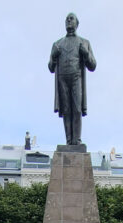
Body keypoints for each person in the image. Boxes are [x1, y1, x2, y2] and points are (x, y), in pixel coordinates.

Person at [48, 13, 96, 145]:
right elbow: (51, 67)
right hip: (62, 78)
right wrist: (53, 55)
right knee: (66, 110)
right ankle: (69, 140)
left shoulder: (84, 42)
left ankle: (77, 140)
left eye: (71, 19)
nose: (69, 21)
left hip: (76, 77)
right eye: (67, 19)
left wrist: (85, 54)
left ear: (77, 23)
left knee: (77, 108)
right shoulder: (57, 44)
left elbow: (92, 65)